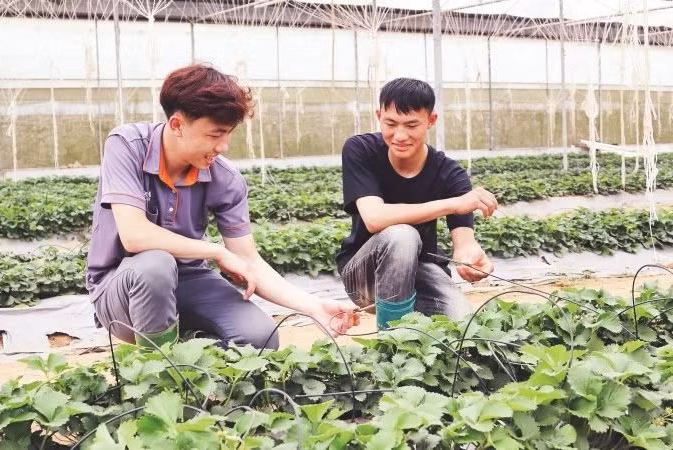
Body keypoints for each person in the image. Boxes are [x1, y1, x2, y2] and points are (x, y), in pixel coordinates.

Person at [85, 63, 360, 350]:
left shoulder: (225, 179)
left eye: (229, 133)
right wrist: (215, 251)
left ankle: (192, 355)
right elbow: (134, 235)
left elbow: (249, 260)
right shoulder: (127, 145)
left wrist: (313, 306)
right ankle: (159, 372)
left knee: (259, 338)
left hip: (189, 281)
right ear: (177, 125)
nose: (224, 146)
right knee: (156, 264)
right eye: (215, 135)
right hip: (121, 287)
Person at [336, 77, 498, 330]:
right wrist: (452, 204)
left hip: (422, 273)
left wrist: (472, 259)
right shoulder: (361, 149)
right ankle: (392, 342)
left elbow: (464, 245)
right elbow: (374, 218)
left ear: (431, 121)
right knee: (403, 235)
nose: (400, 135)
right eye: (390, 123)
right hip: (365, 275)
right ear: (379, 115)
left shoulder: (450, 174)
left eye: (412, 125)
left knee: (464, 329)